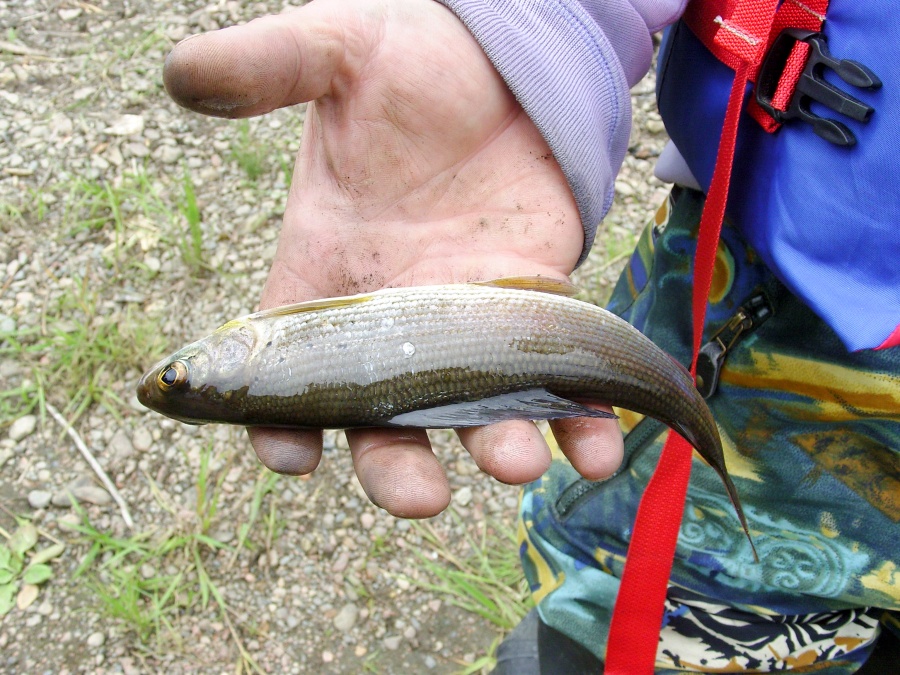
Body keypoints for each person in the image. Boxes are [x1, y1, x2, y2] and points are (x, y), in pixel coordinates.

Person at [162, 0, 899, 671]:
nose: (178, 370)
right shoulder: (271, 358)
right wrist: (537, 22)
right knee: (699, 614)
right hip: (782, 283)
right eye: (182, 378)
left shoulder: (270, 356)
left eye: (179, 378)